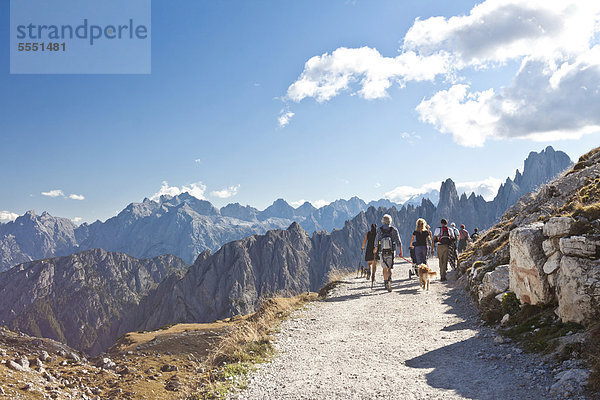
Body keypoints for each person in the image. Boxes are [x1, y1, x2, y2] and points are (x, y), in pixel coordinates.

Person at [373, 214, 402, 292]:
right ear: (390, 221)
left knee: (384, 267)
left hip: (382, 252)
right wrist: (400, 252)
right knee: (390, 267)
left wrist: (375, 249)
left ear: (383, 221)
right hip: (392, 251)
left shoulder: (380, 230)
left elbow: (376, 241)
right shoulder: (394, 229)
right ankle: (389, 279)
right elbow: (399, 242)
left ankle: (385, 282)